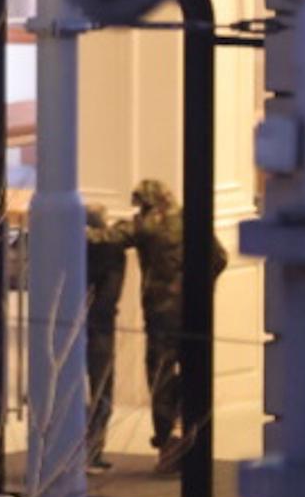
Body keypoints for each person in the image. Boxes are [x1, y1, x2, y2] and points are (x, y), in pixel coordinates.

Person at [87, 179, 227, 474]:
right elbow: (220, 258)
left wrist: (74, 229)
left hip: (162, 315)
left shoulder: (147, 224)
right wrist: (202, 288)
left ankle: (168, 445)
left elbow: (108, 237)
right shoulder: (193, 219)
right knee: (194, 374)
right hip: (196, 312)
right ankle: (191, 438)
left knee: (161, 376)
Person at [85, 204, 126, 475]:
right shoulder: (113, 251)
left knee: (67, 389)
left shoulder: (66, 247)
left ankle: (64, 451)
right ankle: (93, 451)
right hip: (101, 329)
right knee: (101, 389)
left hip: (67, 327)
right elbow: (110, 296)